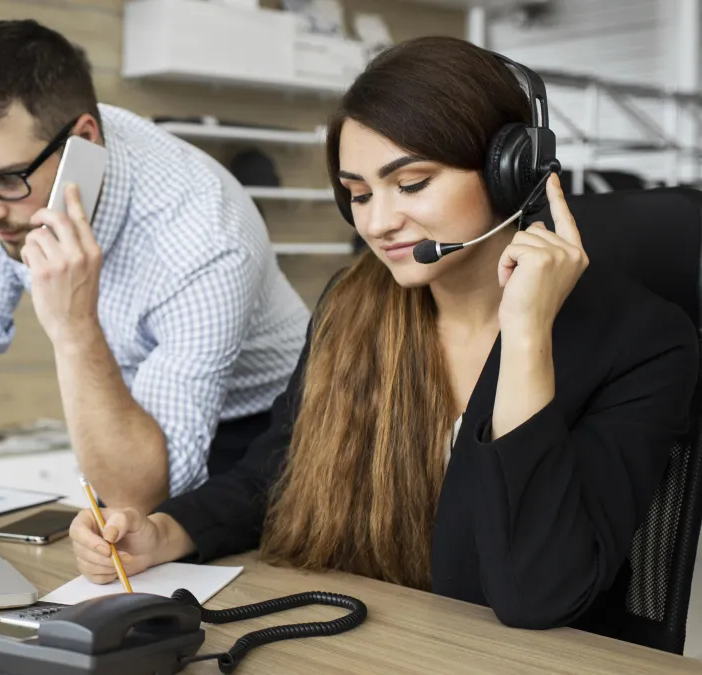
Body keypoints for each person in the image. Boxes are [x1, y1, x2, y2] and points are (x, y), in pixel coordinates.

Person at [68, 36, 699, 641]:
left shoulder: (643, 342)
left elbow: (537, 592)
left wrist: (527, 336)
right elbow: (278, 470)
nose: (377, 222)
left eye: (412, 184)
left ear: (510, 171)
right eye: (358, 194)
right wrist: (164, 532)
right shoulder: (356, 303)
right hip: (373, 641)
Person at [0, 20, 310, 522]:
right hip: (136, 410)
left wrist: (74, 327)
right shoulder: (9, 195)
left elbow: (141, 497)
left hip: (267, 426)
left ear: (83, 142)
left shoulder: (205, 235)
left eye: (3, 179)